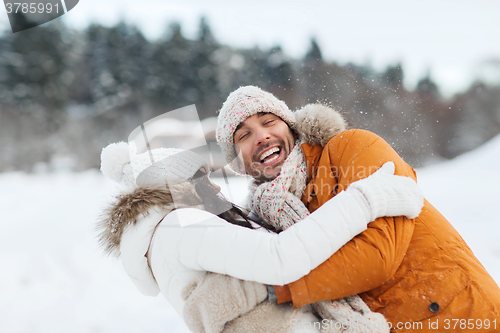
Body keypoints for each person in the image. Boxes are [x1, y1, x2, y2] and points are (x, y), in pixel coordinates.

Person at [215, 85, 500, 331]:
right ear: (238, 164)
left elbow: (378, 255)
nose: (261, 136)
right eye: (243, 136)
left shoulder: (351, 147)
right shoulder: (262, 218)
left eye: (268, 122)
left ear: (290, 126)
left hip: (463, 316)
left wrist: (278, 288)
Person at [97, 141, 423, 332]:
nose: (216, 186)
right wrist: (364, 199)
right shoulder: (180, 225)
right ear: (175, 186)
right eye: (200, 178)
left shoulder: (163, 236)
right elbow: (280, 259)